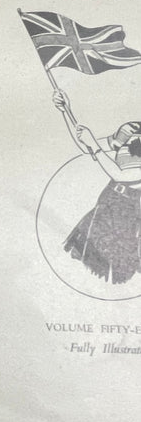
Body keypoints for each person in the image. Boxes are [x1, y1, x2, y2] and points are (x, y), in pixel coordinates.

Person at [53, 89, 141, 284]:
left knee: (116, 270)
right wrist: (66, 111)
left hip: (132, 212)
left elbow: (122, 175)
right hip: (107, 202)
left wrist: (93, 144)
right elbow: (88, 148)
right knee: (86, 258)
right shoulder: (131, 129)